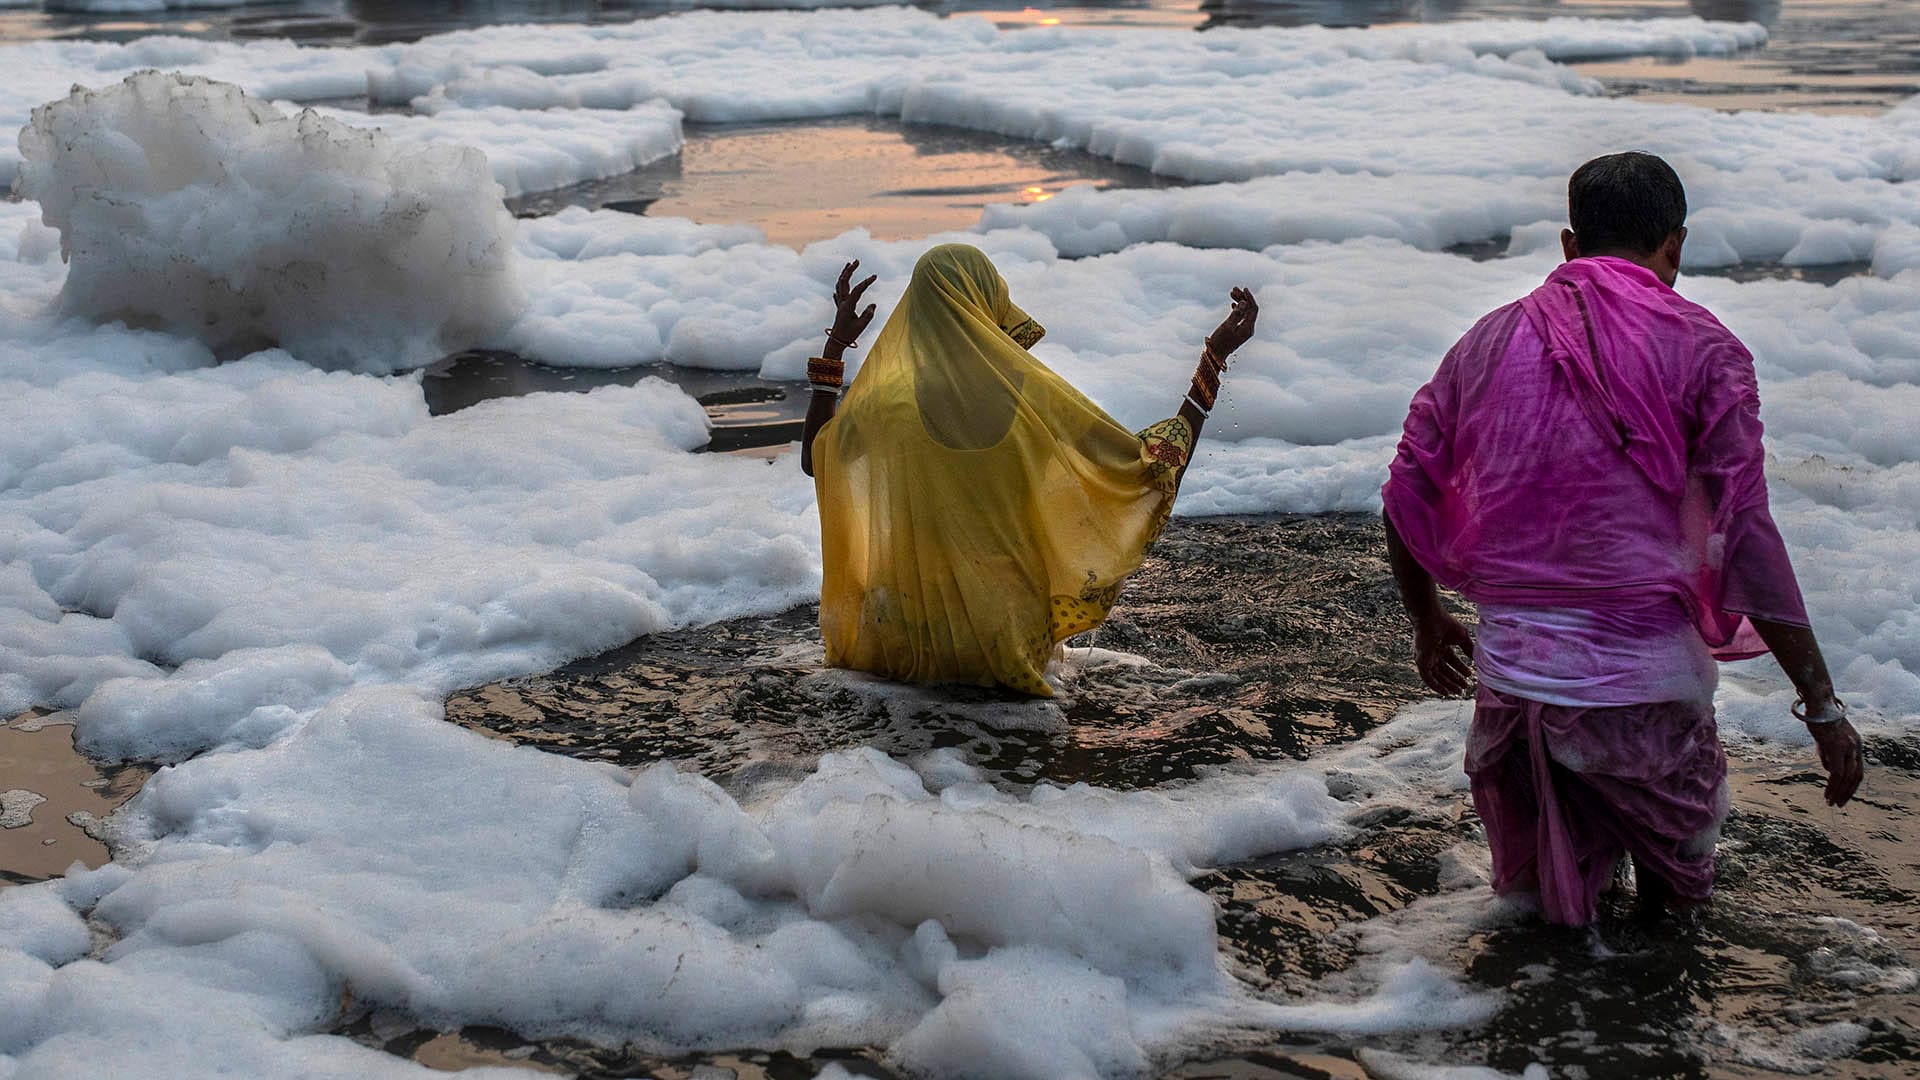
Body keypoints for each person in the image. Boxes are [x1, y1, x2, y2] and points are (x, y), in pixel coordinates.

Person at [1380, 151, 1865, 925]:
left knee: (1545, 931)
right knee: (1674, 927)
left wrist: (1427, 619)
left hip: (1513, 699)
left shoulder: (1485, 342)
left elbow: (1406, 488)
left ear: (1570, 245)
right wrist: (1821, 704)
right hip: (1644, 709)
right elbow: (1745, 534)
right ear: (1676, 246)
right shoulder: (1705, 349)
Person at [800, 243, 1257, 696]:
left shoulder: (885, 406)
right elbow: (1150, 468)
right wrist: (1213, 360)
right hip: (1004, 632)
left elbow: (816, 461)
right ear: (987, 304)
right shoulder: (1032, 402)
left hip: (904, 630)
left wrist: (835, 346)